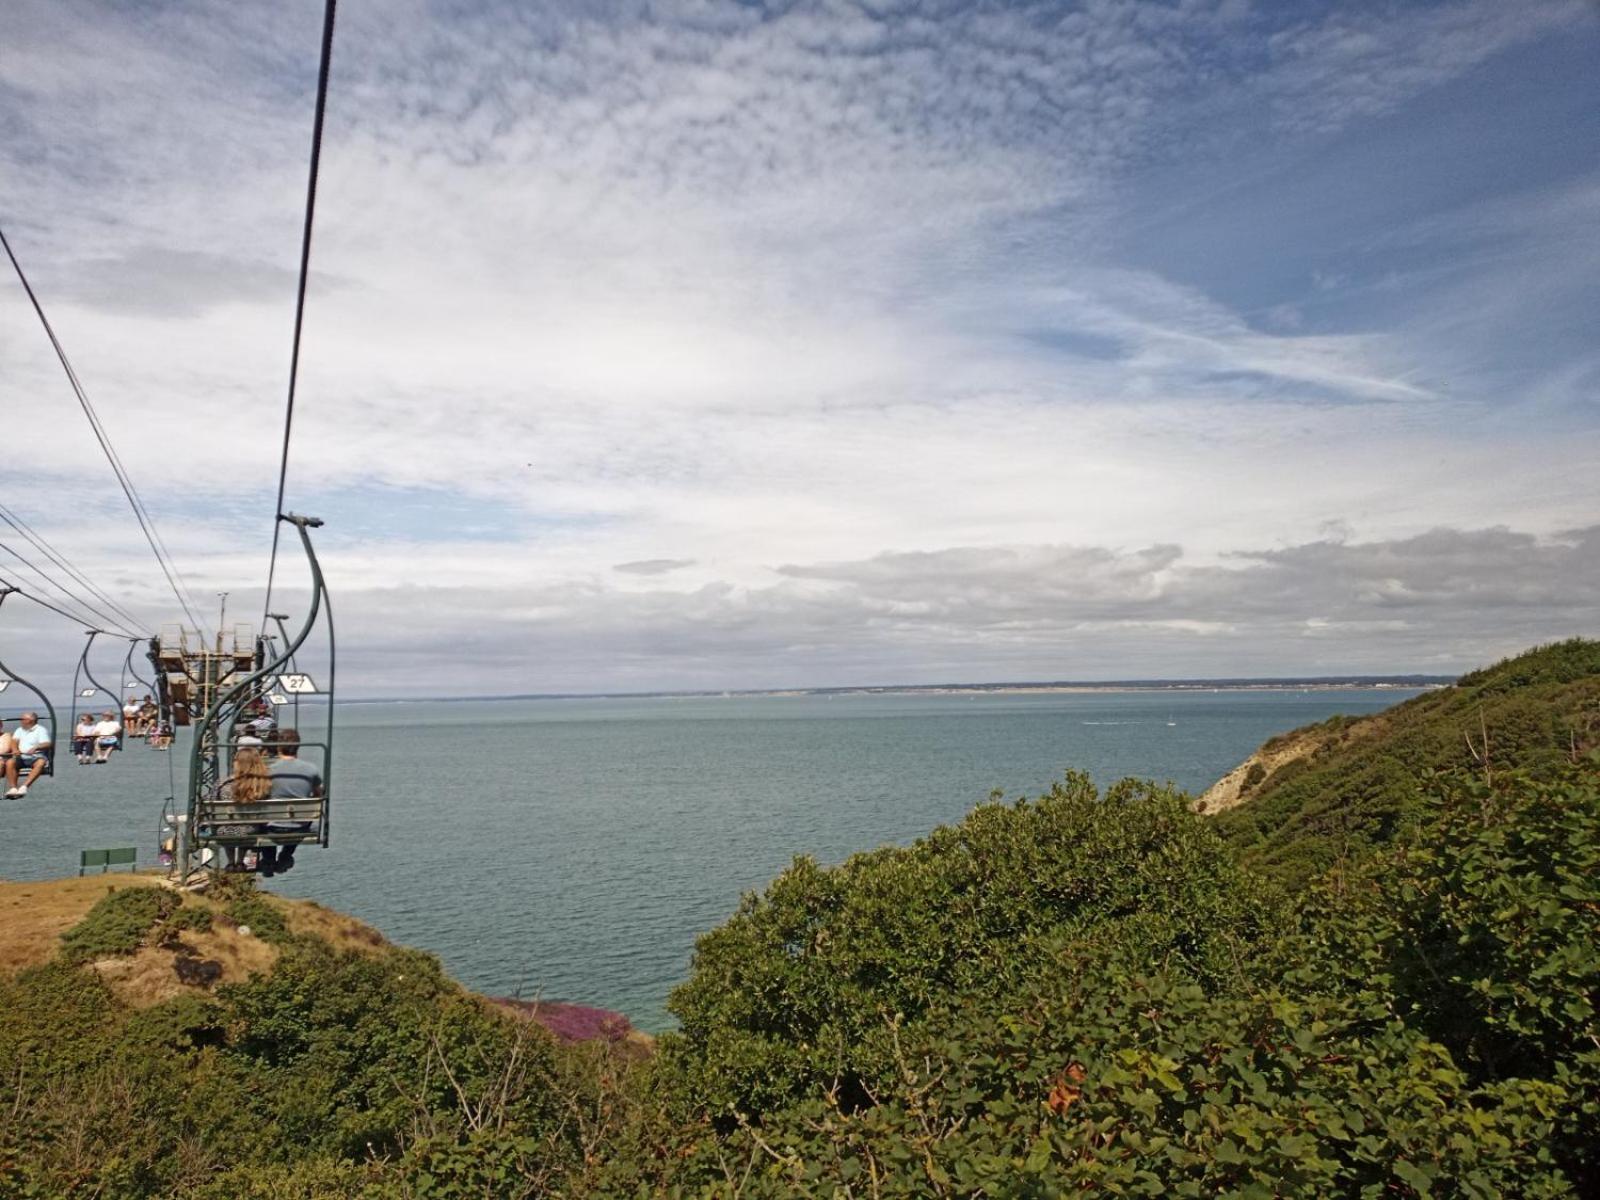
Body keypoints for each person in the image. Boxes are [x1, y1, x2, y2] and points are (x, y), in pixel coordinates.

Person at [262, 728, 322, 876]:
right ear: (298, 746)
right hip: (298, 827)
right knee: (301, 818)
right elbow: (319, 794)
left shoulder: (268, 770)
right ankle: (286, 855)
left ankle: (268, 858)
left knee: (263, 820)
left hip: (272, 828)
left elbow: (261, 795)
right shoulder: (311, 770)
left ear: (279, 746)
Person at [219, 746, 272, 871]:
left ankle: (231, 862)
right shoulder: (263, 785)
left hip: (224, 831)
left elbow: (209, 801)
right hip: (251, 830)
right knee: (247, 825)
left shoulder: (224, 783)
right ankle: (240, 861)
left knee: (228, 823)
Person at [5, 712, 51, 797]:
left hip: (36, 756)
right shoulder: (19, 730)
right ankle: (13, 788)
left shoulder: (40, 730)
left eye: (22, 719)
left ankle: (24, 787)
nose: (21, 721)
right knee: (10, 762)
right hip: (21, 756)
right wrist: (15, 749)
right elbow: (14, 741)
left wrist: (36, 747)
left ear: (30, 720)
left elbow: (47, 743)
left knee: (40, 763)